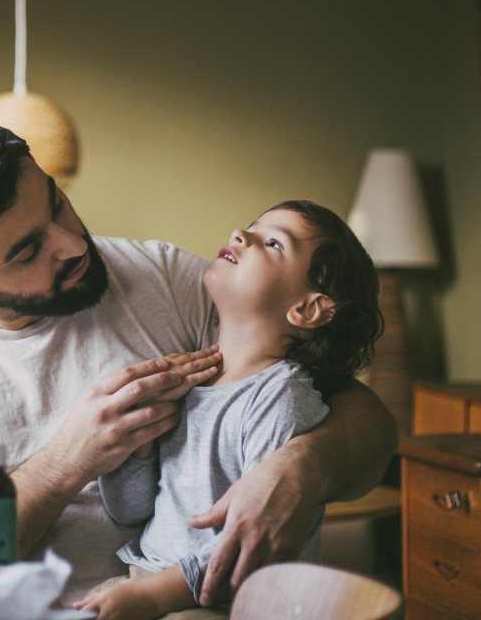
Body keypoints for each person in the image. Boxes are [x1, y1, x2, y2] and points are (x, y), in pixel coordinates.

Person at [0, 118, 398, 601]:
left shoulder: (166, 279)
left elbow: (359, 417)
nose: (73, 245)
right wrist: (69, 461)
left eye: (57, 202)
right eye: (28, 250)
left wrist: (302, 468)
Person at [74, 201, 381, 618]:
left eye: (273, 243)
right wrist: (141, 445)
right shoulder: (192, 382)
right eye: (253, 227)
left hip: (226, 601)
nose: (241, 234)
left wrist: (150, 597)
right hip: (144, 579)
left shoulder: (280, 399)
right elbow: (132, 512)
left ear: (308, 309)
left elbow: (250, 548)